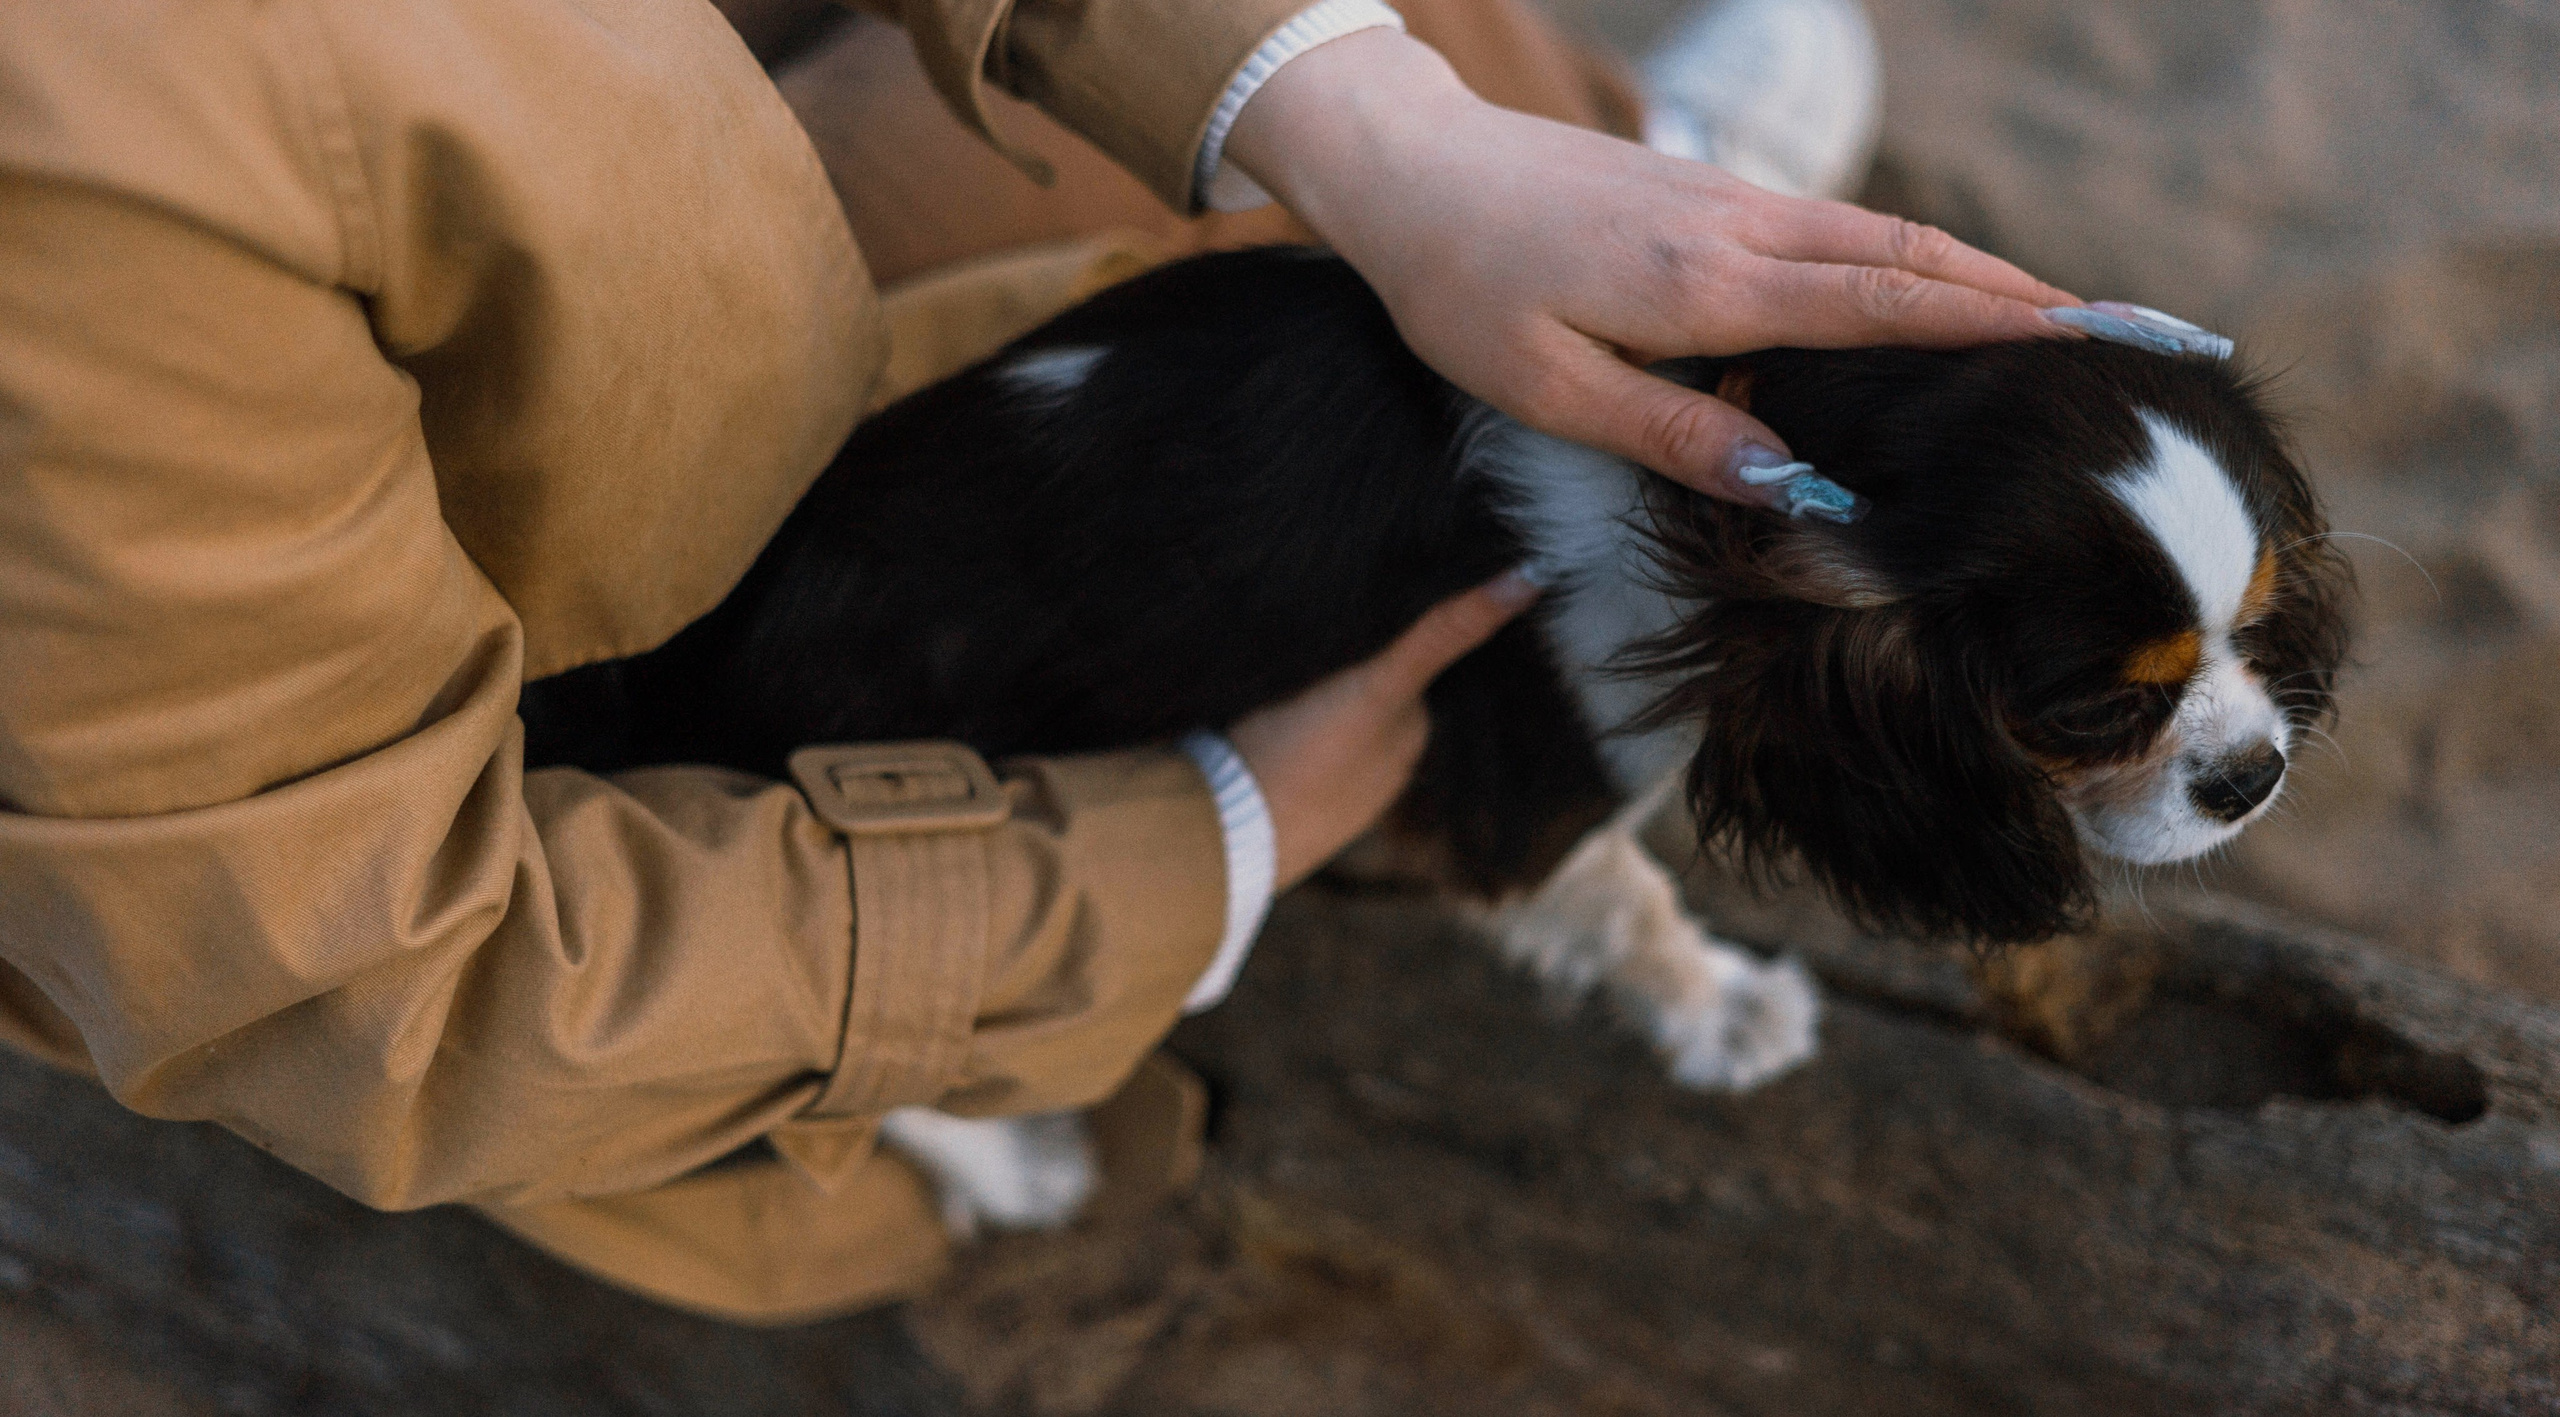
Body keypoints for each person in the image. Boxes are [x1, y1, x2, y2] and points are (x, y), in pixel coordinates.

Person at [0, 0, 2075, 1321]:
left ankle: (1618, 163)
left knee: (1420, 103)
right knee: (882, 1206)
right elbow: (363, 983)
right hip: (575, 711)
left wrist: (1350, 119)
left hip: (668, 211)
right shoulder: (65, 203)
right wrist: (1195, 848)